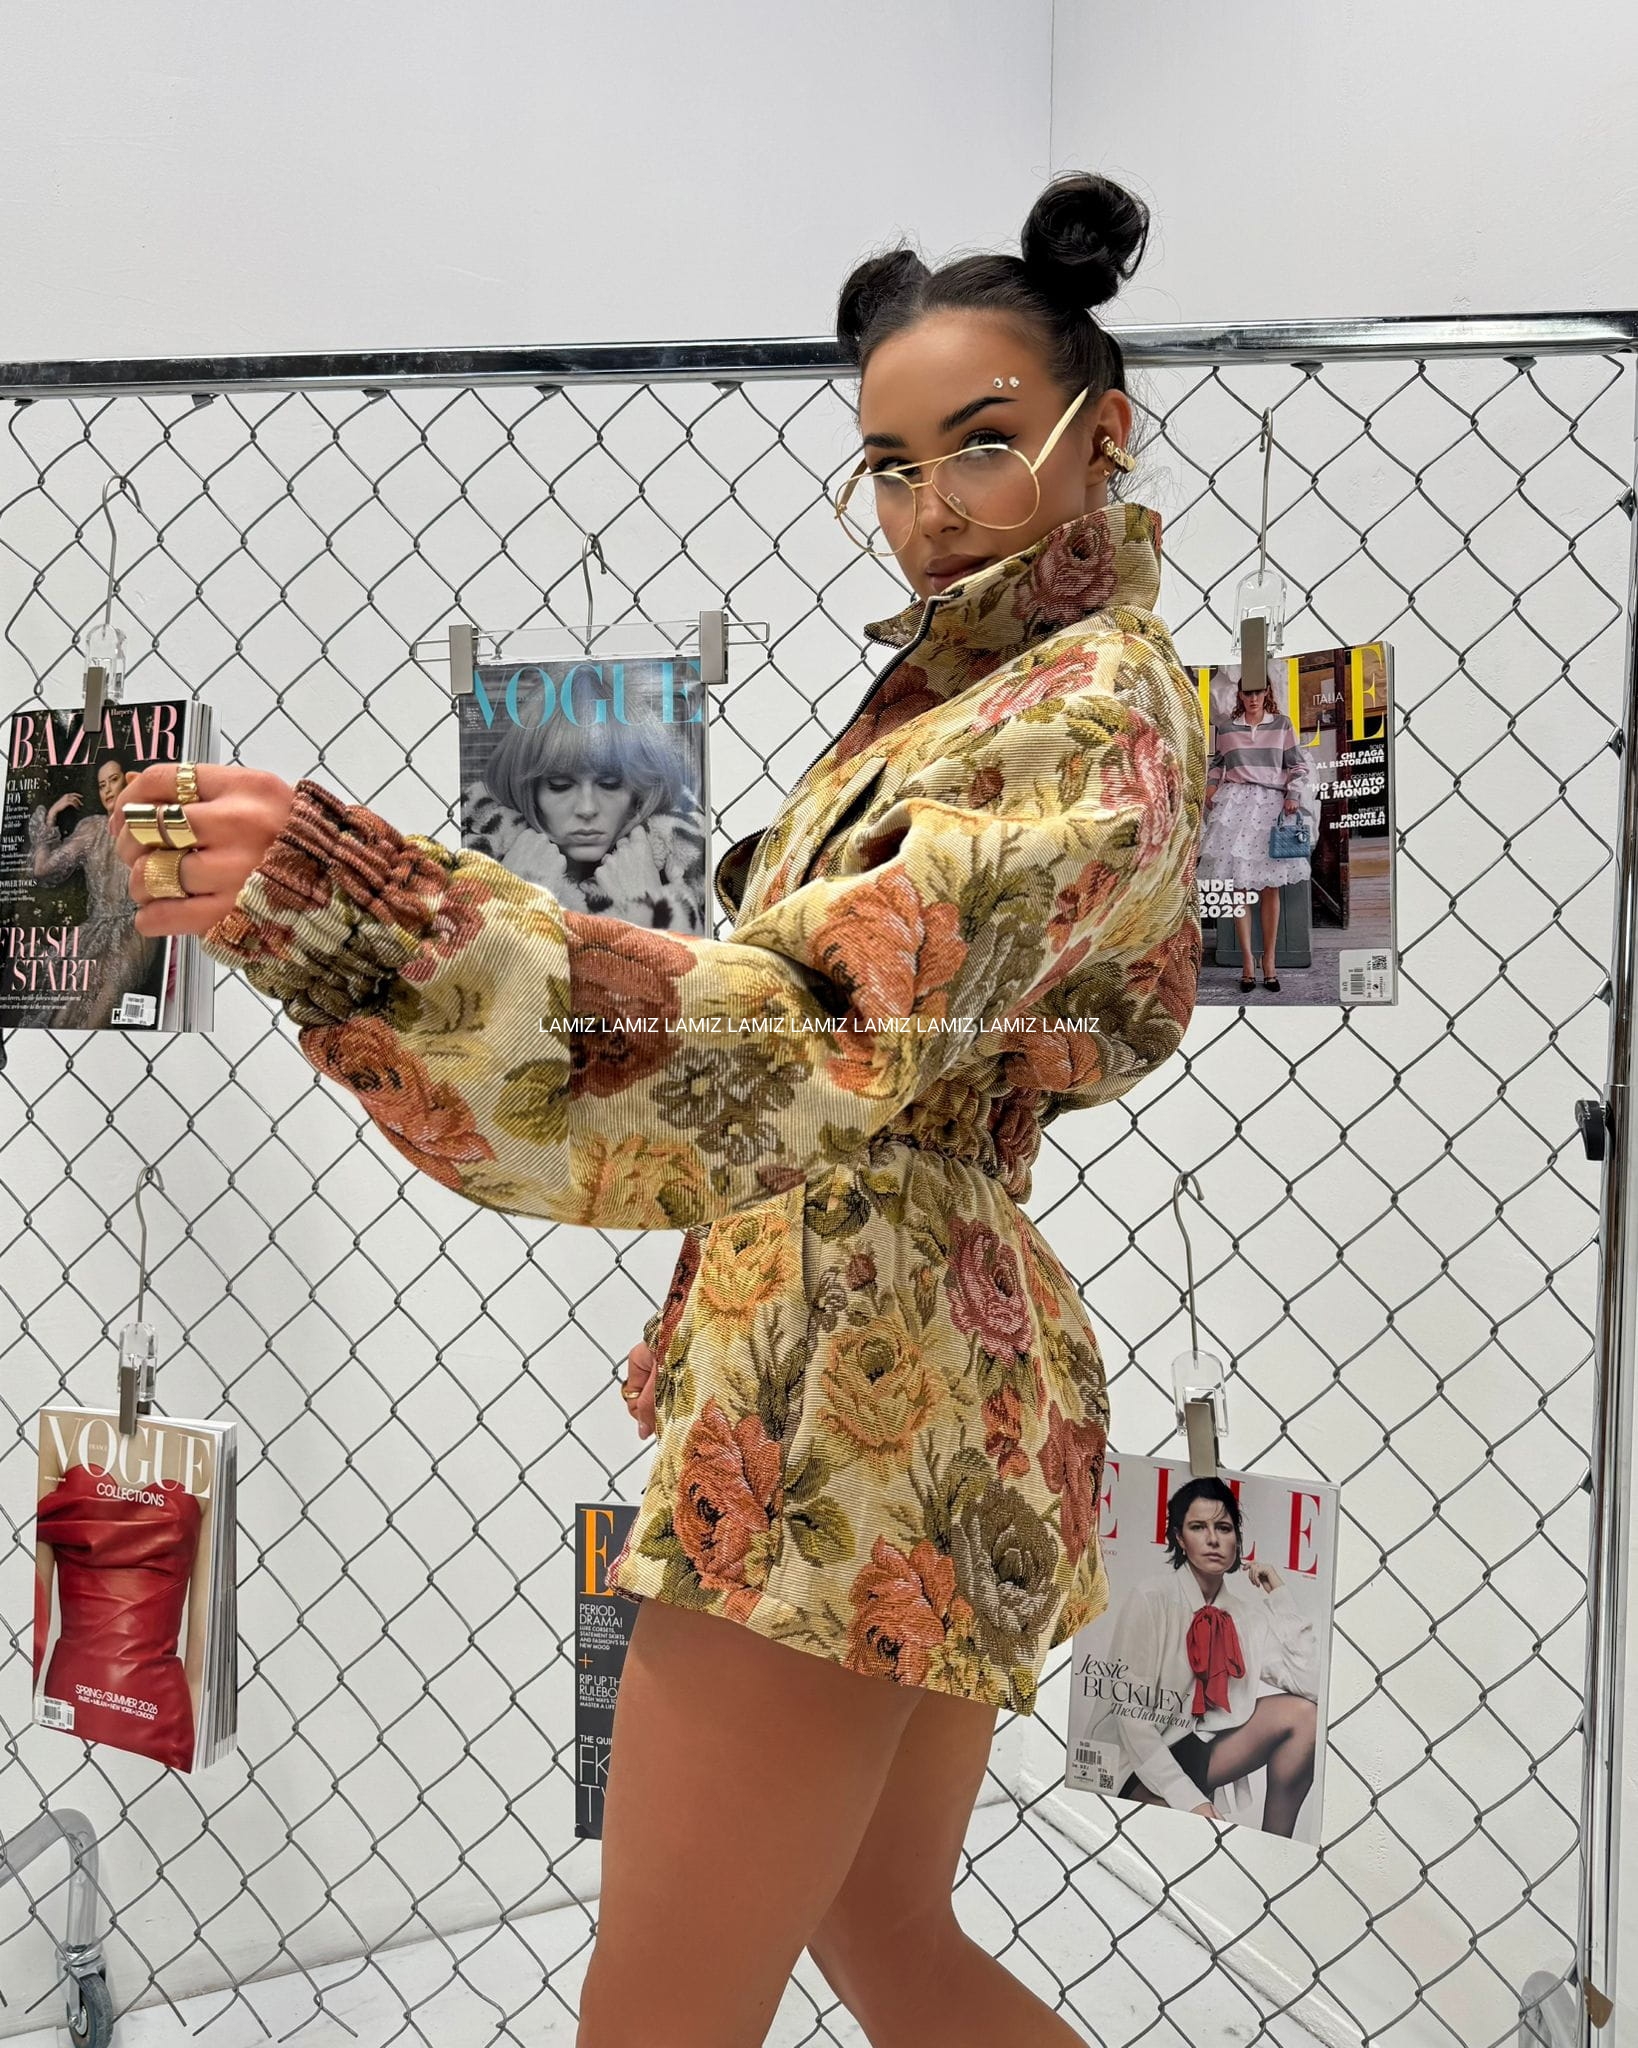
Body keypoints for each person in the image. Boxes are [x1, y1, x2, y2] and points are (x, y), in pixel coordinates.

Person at [113, 171, 1205, 2048]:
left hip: (861, 1371)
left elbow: (811, 1030)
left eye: (981, 445)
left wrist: (362, 916)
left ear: (1100, 433)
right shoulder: (994, 692)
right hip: (896, 1338)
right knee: (882, 1926)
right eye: (885, 467)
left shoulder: (1087, 706)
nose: (927, 509)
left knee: (659, 2012)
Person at [1080, 1477, 1320, 1835]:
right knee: (1187, 1833)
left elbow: (1311, 1685)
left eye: (1223, 1528)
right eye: (1198, 1527)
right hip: (1133, 1755)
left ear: (1237, 1539)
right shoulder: (1152, 1598)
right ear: (1180, 1538)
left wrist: (1280, 1596)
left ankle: (1274, 1845)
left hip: (1199, 1747)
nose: (1212, 1539)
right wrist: (1189, 1799)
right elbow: (1132, 1718)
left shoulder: (1246, 1617)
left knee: (1305, 1718)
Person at [461, 685, 708, 931]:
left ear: (638, 791)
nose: (587, 809)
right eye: (560, 785)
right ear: (529, 791)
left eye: (610, 784)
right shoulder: (469, 856)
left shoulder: (693, 867)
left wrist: (649, 908)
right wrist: (510, 893)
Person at [28, 752, 161, 1028]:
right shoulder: (91, 829)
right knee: (64, 1015)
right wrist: (51, 816)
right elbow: (42, 869)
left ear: (129, 781)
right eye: (102, 785)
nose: (108, 789)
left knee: (100, 1014)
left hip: (137, 931)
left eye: (114, 780)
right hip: (96, 932)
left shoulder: (149, 824)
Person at [1199, 671, 1311, 993]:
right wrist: (1210, 788)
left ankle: (1269, 960)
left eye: (1258, 692)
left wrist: (1293, 794)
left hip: (1271, 806)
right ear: (1239, 695)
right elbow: (1217, 765)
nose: (1252, 698)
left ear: (1266, 693)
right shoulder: (1227, 728)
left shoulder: (1282, 724)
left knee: (1270, 888)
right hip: (1234, 805)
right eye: (1247, 693)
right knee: (1239, 889)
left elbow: (1297, 765)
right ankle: (1248, 962)